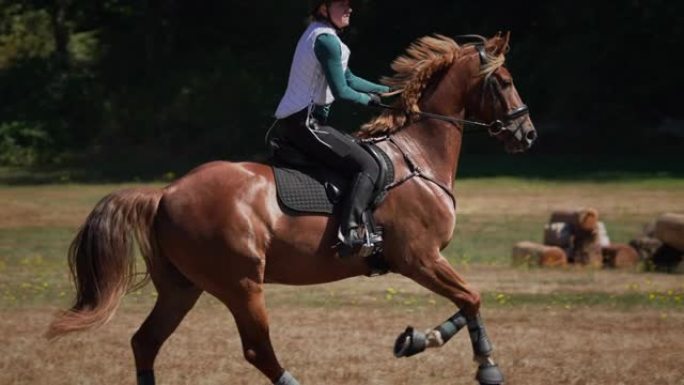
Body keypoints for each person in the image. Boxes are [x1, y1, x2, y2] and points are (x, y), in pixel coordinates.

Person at [273, 0, 390, 257]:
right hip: (305, 124)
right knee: (368, 166)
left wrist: (388, 91)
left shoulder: (322, 34)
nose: (349, 9)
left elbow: (349, 78)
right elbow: (343, 91)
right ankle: (349, 233)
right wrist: (372, 101)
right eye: (342, 4)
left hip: (305, 122)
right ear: (324, 8)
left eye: (350, 5)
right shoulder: (325, 40)